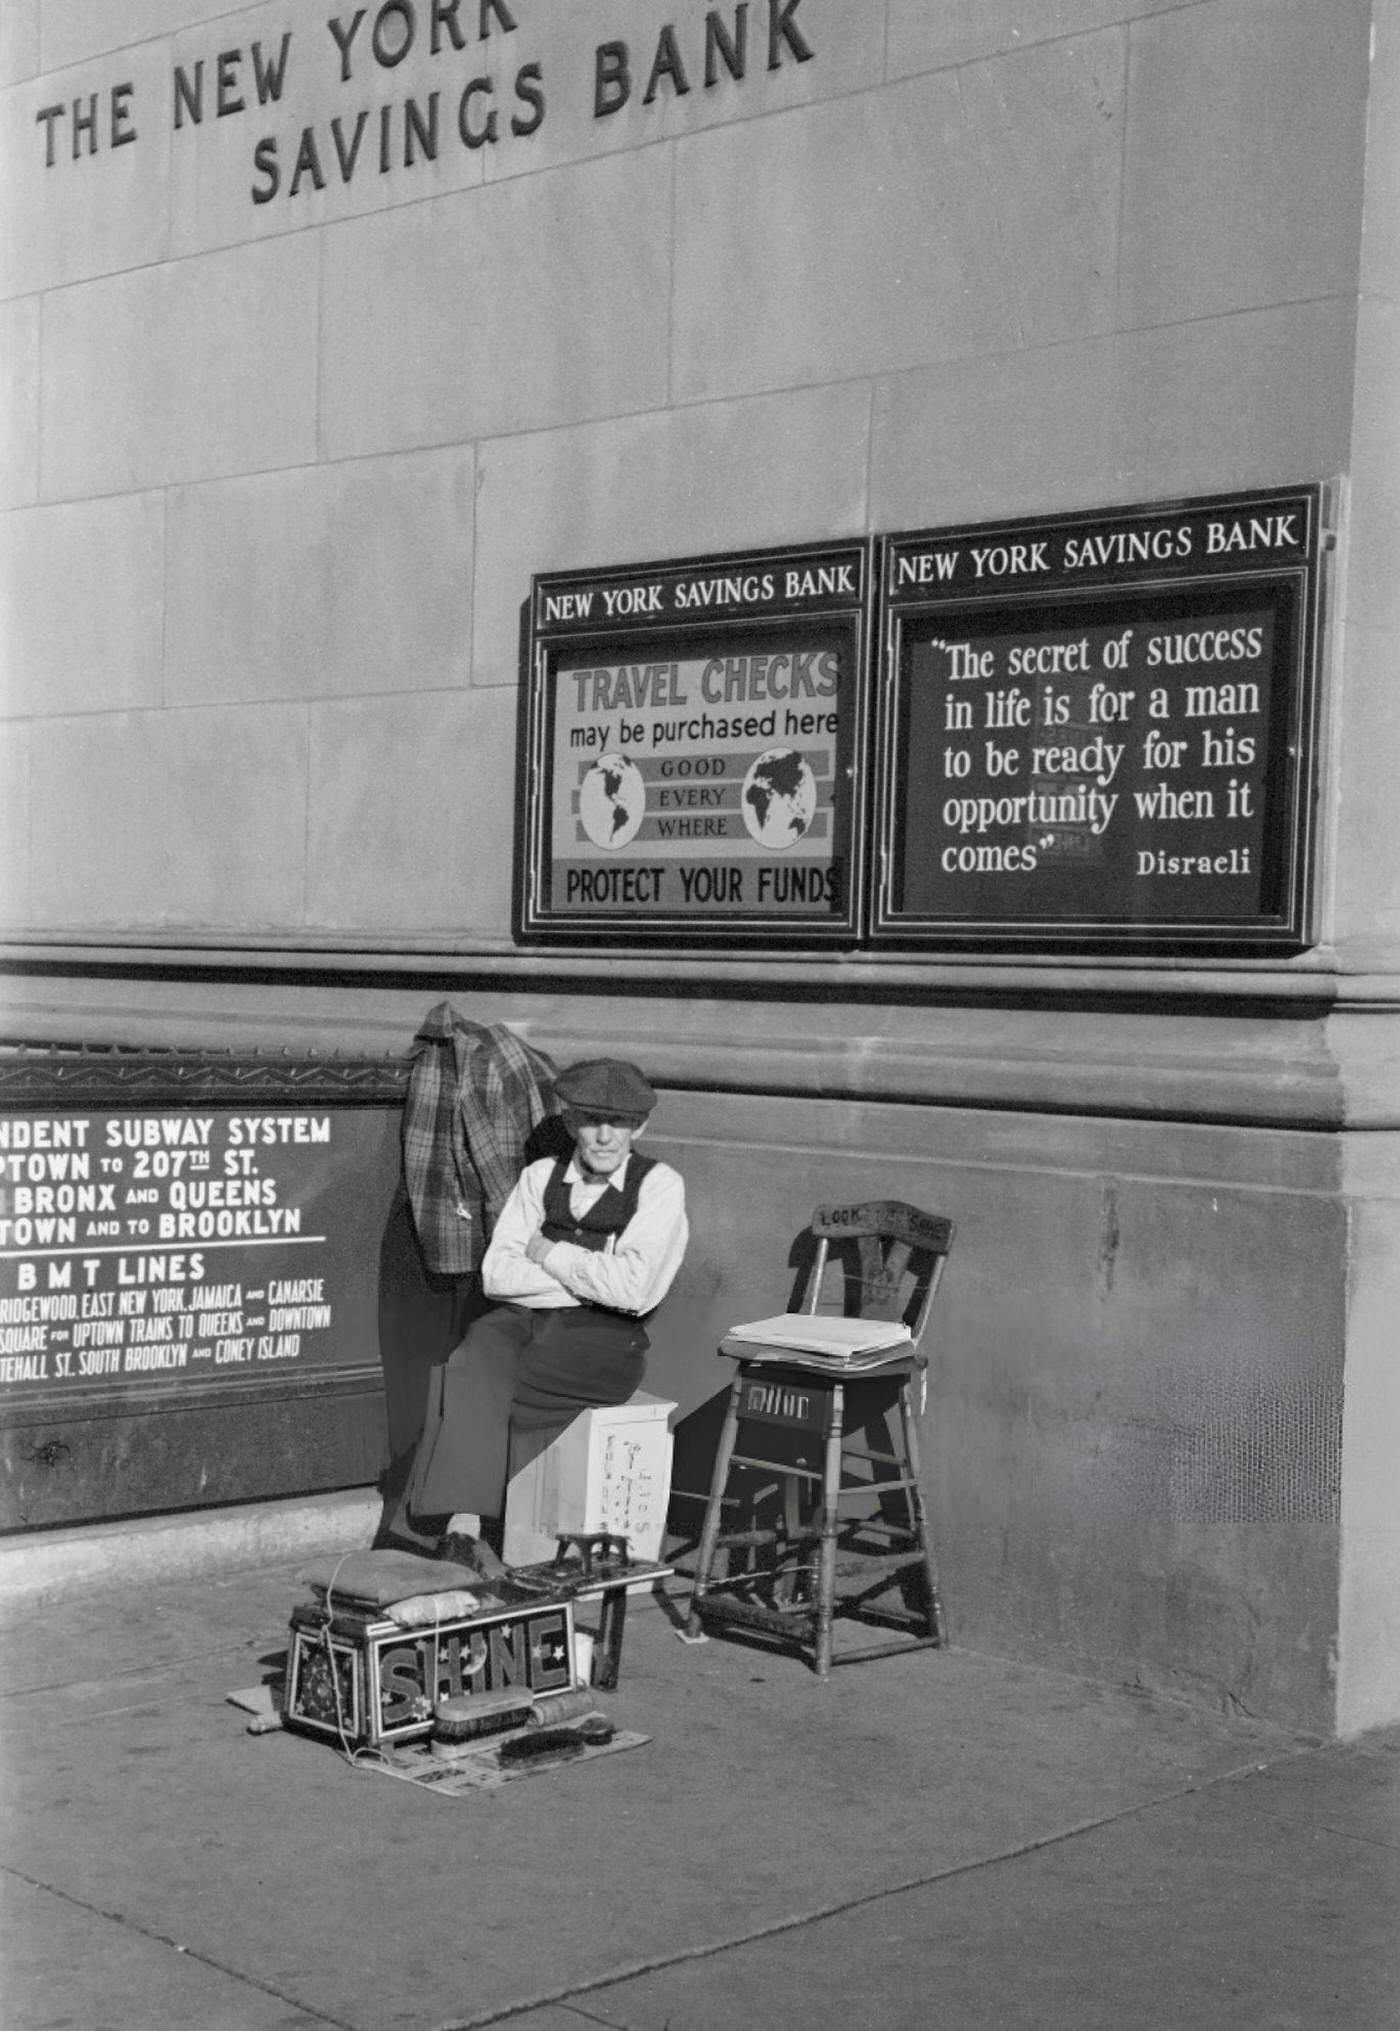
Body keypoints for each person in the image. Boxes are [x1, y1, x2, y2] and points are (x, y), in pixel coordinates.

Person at [380, 1057, 687, 1566]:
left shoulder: (659, 1186)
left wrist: (549, 1253)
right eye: (590, 1120)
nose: (605, 1136)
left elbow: (634, 1292)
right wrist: (592, 1278)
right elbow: (498, 1275)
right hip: (521, 1325)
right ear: (570, 1124)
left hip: (603, 1343)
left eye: (620, 1123)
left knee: (467, 1383)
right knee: (476, 1350)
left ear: (641, 1126)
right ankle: (460, 1531)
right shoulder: (540, 1177)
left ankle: (439, 1534)